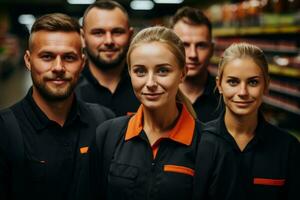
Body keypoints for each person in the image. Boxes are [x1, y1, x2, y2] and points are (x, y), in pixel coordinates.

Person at [88, 26, 237, 200]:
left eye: (162, 71)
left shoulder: (213, 146)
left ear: (182, 73)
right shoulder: (108, 136)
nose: (150, 82)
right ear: (130, 73)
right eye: (140, 71)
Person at [0, 13, 114, 200]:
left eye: (69, 58)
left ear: (82, 63)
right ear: (28, 61)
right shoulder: (5, 130)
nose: (58, 67)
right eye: (47, 56)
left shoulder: (104, 123)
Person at [203, 43, 300, 199]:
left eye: (253, 82)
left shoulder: (288, 148)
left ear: (266, 85)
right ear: (219, 85)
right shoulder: (200, 142)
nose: (243, 92)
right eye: (233, 82)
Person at [76, 0, 140, 116]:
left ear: (130, 36)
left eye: (117, 32)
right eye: (98, 33)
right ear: (82, 37)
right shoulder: (70, 89)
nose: (109, 41)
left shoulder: (147, 86)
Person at [171, 6, 221, 122]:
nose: (193, 54)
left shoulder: (226, 99)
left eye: (201, 45)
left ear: (212, 50)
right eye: (185, 45)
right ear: (171, 48)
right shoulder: (156, 95)